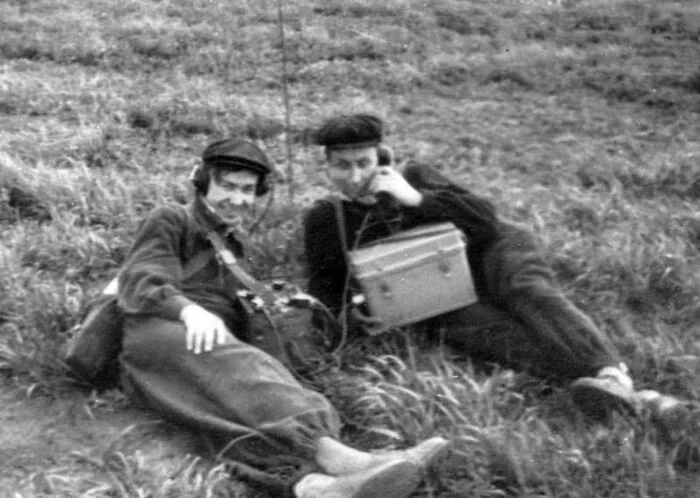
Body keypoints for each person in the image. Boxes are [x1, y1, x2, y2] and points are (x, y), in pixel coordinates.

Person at [303, 113, 698, 428]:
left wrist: (416, 198)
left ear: (381, 157)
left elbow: (484, 220)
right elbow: (325, 292)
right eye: (342, 166)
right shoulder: (326, 219)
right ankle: (630, 398)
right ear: (327, 167)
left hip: (491, 252)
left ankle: (611, 375)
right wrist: (356, 312)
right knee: (497, 337)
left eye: (363, 163)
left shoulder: (415, 177)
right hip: (440, 292)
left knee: (528, 291)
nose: (354, 177)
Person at [116, 137, 448, 498]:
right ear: (203, 182)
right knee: (249, 373)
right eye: (227, 186)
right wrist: (189, 310)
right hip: (156, 332)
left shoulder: (235, 246)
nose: (237, 199)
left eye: (247, 190)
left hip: (202, 344)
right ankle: (346, 460)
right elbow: (140, 280)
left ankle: (314, 486)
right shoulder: (171, 219)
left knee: (223, 414)